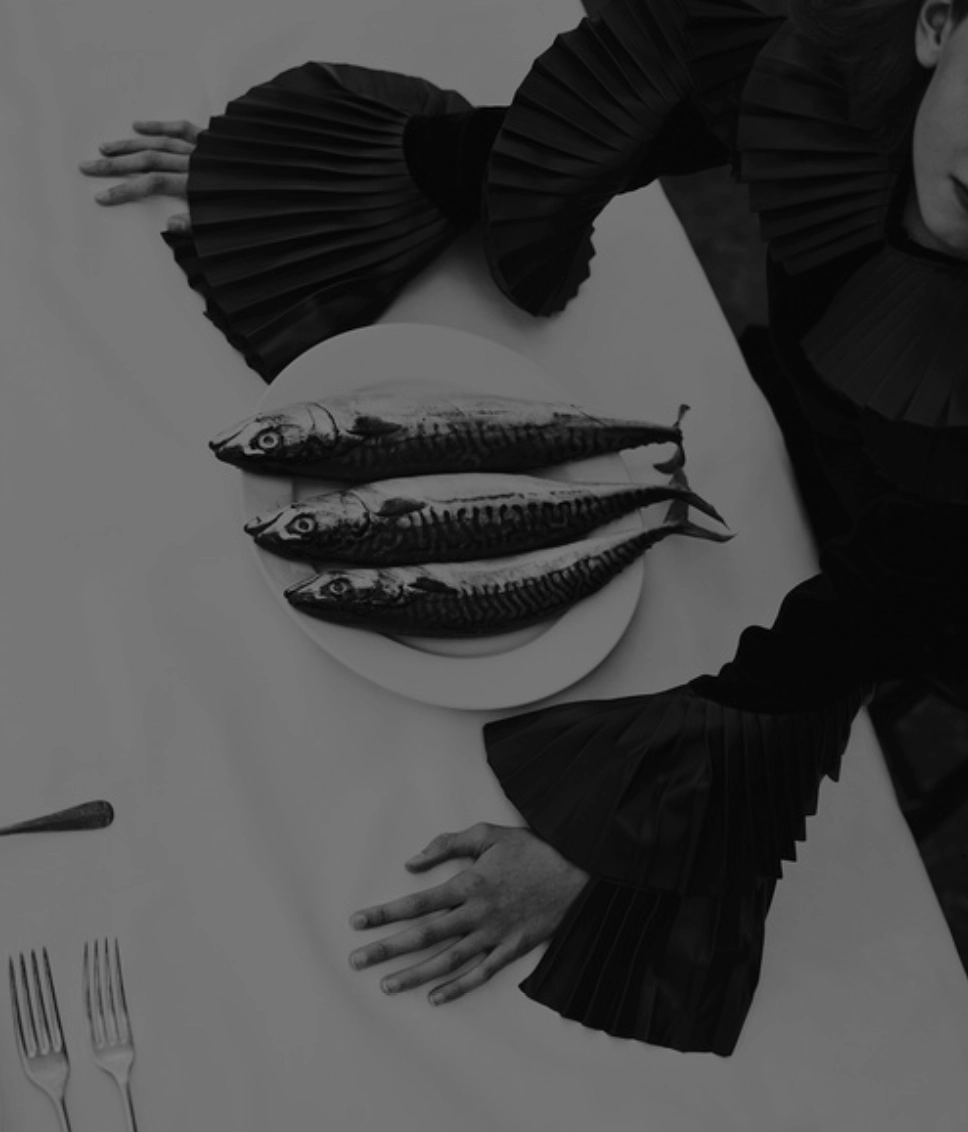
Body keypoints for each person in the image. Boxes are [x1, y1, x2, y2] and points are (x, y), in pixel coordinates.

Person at [79, 0, 968, 1056]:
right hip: (836, 424)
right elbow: (644, 104)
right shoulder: (818, 54)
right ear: (936, 21)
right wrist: (309, 192)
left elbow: (891, 595)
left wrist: (613, 836)